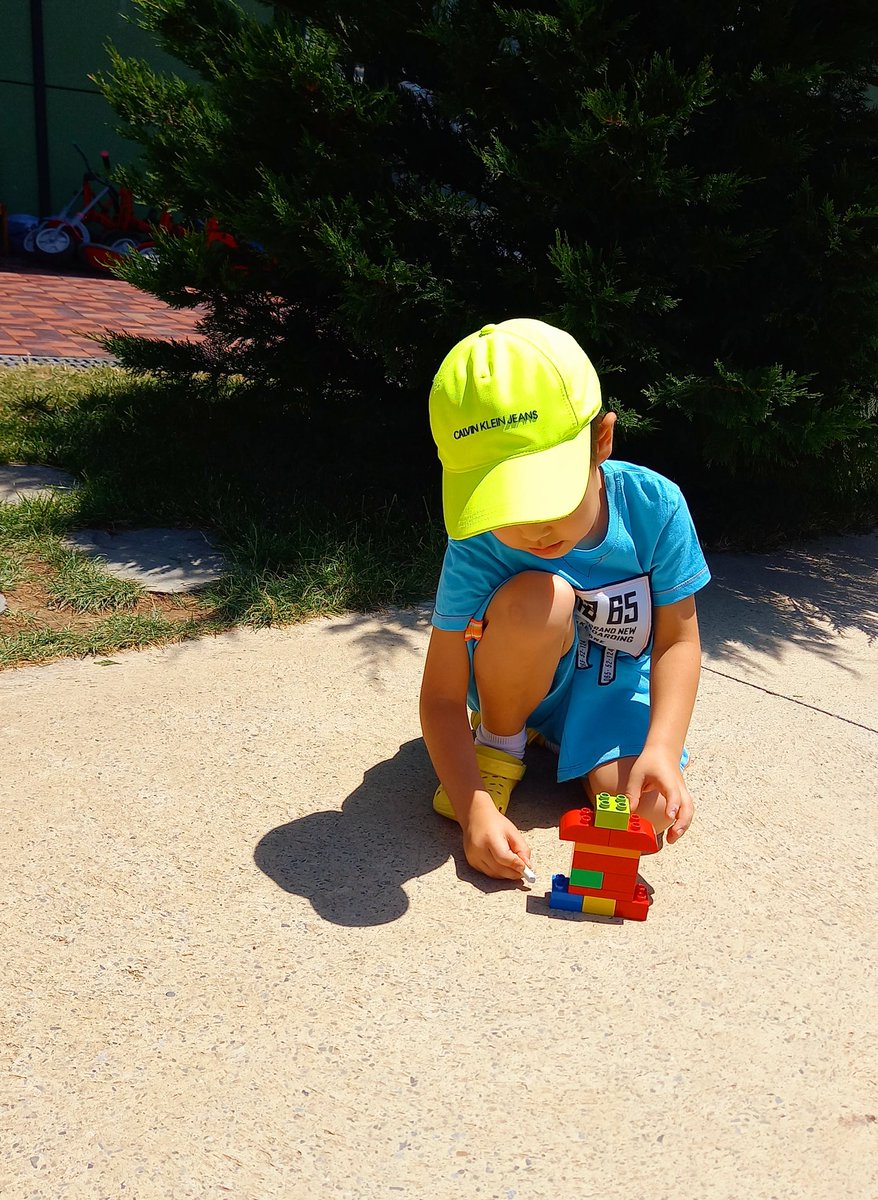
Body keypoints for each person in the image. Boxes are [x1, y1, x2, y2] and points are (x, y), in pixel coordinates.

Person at [420, 318, 710, 880]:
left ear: (601, 440)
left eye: (549, 496)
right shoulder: (477, 543)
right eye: (503, 506)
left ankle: (579, 749)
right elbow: (439, 695)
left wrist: (662, 746)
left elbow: (679, 639)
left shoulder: (656, 507)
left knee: (648, 815)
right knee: (541, 597)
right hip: (524, 674)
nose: (531, 529)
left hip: (610, 686)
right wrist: (472, 807)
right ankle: (503, 741)